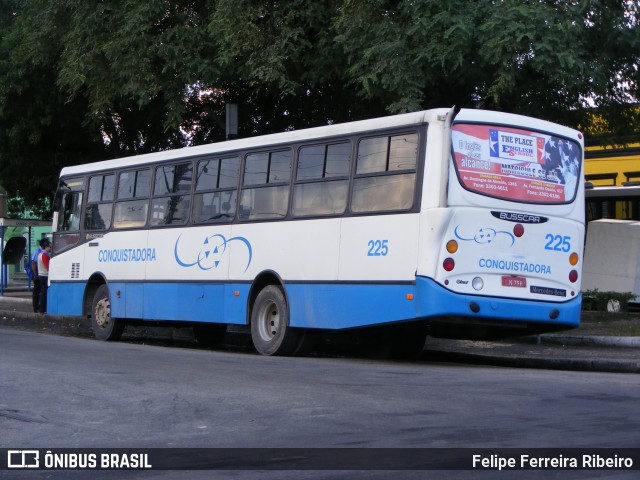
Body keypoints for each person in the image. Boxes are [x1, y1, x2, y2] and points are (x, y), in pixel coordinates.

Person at [30, 239, 46, 313]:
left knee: (40, 291)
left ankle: (39, 307)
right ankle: (35, 307)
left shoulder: (43, 252)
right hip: (37, 274)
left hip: (41, 273)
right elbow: (33, 263)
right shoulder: (37, 251)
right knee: (36, 291)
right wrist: (35, 274)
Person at [37, 239, 52, 314]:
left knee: (43, 292)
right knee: (44, 293)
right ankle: (43, 309)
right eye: (49, 246)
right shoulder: (45, 255)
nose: (50, 248)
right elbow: (48, 266)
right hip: (45, 275)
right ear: (46, 247)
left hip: (41, 275)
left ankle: (41, 309)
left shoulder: (40, 254)